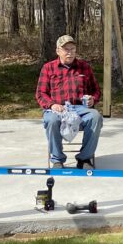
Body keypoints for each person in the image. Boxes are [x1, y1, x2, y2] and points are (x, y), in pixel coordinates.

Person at [36, 35, 103, 168]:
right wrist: (52, 104)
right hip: (57, 108)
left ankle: (84, 159)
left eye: (72, 49)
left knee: (95, 117)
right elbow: (40, 93)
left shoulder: (84, 67)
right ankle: (57, 159)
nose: (70, 52)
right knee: (52, 120)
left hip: (80, 108)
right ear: (58, 51)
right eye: (66, 49)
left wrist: (92, 99)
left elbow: (96, 90)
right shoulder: (48, 68)